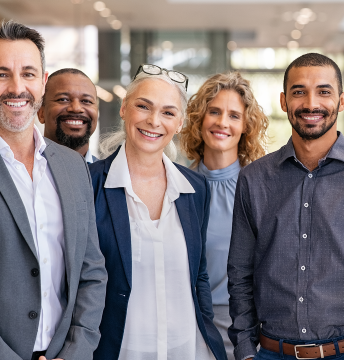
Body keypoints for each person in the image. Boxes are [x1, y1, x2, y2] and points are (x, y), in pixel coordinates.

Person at [228, 53, 344, 360]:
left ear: (341, 101)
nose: (311, 104)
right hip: (271, 353)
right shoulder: (253, 179)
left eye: (323, 92)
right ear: (284, 101)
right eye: (299, 92)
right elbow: (240, 275)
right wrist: (246, 352)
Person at [0, 21, 107, 360]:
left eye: (28, 74)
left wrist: (76, 351)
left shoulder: (72, 166)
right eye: (2, 75)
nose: (17, 88)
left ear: (42, 82)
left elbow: (91, 271)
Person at [90, 64, 226, 360]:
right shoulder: (89, 183)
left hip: (188, 349)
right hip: (119, 351)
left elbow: (198, 274)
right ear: (124, 108)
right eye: (143, 106)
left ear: (179, 123)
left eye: (168, 112)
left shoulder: (195, 188)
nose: (154, 121)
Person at [180, 71, 269, 359]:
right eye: (214, 112)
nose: (221, 122)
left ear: (246, 126)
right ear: (199, 119)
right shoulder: (177, 186)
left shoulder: (261, 188)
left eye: (233, 115)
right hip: (187, 325)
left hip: (248, 329)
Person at [38, 68, 99, 163]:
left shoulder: (110, 175)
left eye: (86, 101)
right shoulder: (22, 172)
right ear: (40, 112)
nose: (76, 108)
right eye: (63, 99)